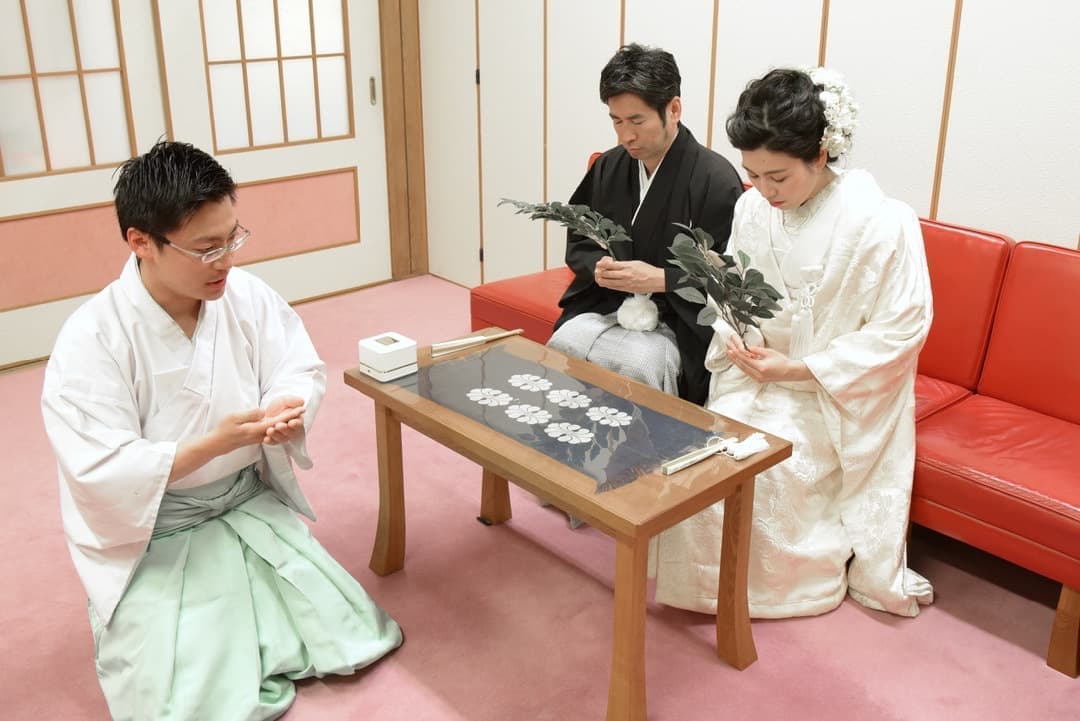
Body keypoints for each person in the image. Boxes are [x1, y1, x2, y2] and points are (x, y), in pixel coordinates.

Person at [41, 141, 402, 720]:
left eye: (234, 238)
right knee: (180, 700)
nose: (227, 262)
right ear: (141, 242)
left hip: (243, 501)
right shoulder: (92, 338)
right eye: (207, 249)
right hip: (158, 530)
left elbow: (297, 363)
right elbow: (99, 467)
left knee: (350, 635)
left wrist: (288, 405)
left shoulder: (246, 294)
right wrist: (217, 442)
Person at [651, 68, 934, 618]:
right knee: (701, 456)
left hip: (829, 394)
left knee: (773, 471)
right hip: (758, 373)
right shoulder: (753, 207)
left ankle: (781, 589)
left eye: (777, 176)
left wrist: (800, 371)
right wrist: (737, 338)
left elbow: (903, 328)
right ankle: (706, 586)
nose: (763, 190)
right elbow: (733, 288)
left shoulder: (883, 223)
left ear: (822, 153)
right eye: (752, 174)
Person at [547, 43, 744, 406]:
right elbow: (582, 236)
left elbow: (730, 275)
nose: (626, 136)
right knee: (565, 342)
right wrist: (599, 267)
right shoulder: (609, 166)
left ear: (674, 109)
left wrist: (662, 279)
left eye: (637, 121)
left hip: (678, 322)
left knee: (638, 364)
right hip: (608, 302)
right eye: (616, 121)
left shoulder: (715, 179)